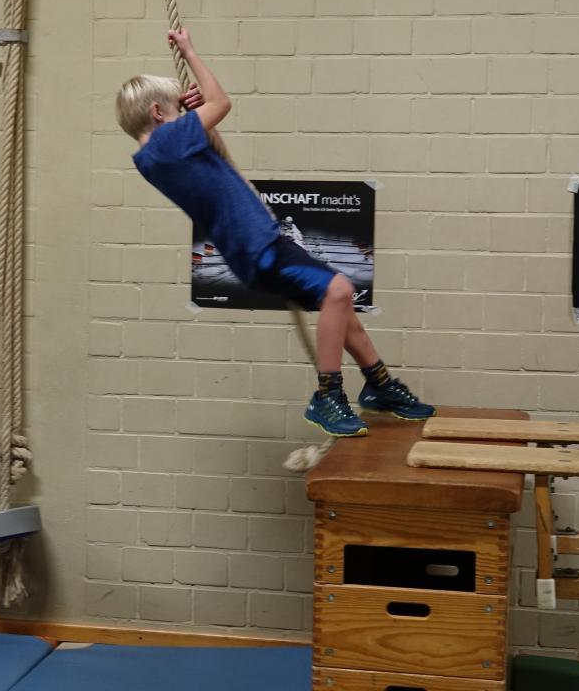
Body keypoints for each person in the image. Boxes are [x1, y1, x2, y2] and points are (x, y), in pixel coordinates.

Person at [115, 27, 434, 437]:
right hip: (259, 247)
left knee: (339, 308)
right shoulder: (168, 142)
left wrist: (192, 111)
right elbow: (221, 102)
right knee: (339, 291)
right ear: (159, 113)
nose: (185, 112)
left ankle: (381, 384)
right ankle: (328, 395)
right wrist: (190, 52)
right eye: (178, 107)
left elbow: (206, 130)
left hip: (256, 248)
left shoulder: (154, 156)